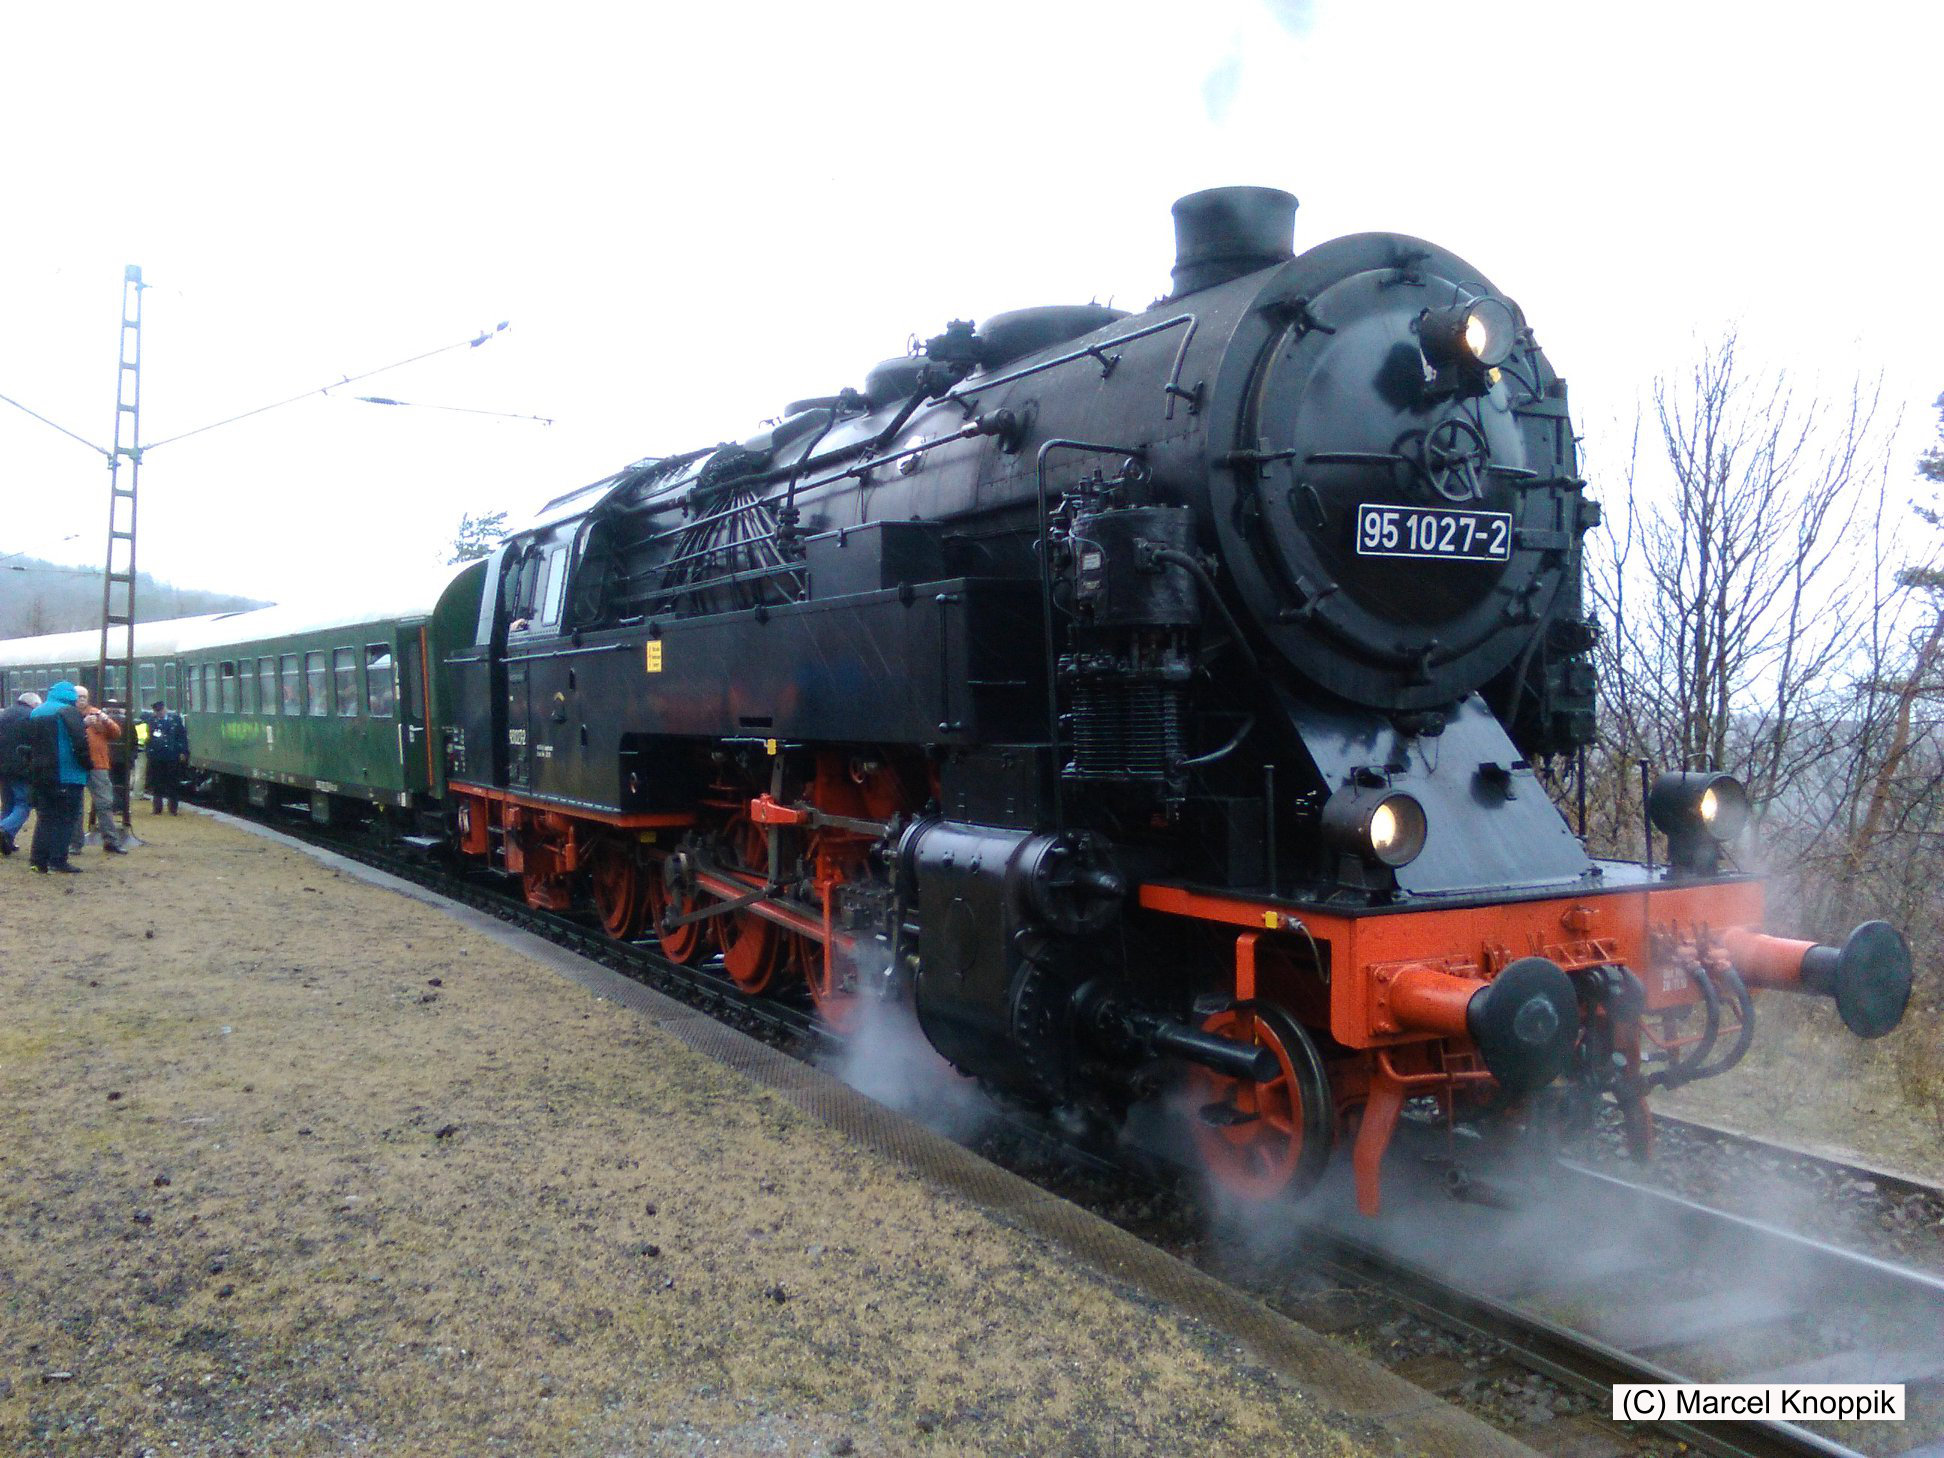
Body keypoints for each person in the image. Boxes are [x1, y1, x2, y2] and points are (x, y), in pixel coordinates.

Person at [26, 680, 89, 873]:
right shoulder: (68, 712)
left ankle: (38, 860)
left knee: (45, 817)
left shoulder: (36, 712)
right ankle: (58, 860)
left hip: (41, 775)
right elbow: (79, 743)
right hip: (67, 773)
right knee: (65, 818)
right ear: (71, 696)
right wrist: (88, 764)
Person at [71, 687, 129, 855]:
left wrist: (106, 720)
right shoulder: (68, 715)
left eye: (84, 697)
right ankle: (75, 843)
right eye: (78, 697)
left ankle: (111, 841)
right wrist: (83, 724)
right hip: (76, 765)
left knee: (104, 803)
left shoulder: (96, 713)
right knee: (76, 806)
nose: (81, 700)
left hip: (98, 765)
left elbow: (116, 733)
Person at [0, 690, 41, 856]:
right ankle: (4, 830)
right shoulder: (31, 717)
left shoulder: (4, 714)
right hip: (21, 768)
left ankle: (7, 840)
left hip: (3, 768)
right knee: (23, 804)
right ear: (33, 704)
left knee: (8, 805)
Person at [147, 698, 189, 815]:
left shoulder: (175, 720)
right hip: (157, 756)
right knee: (157, 783)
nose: (159, 713)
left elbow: (182, 736)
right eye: (157, 711)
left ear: (164, 709)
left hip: (172, 755)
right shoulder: (153, 721)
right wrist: (149, 752)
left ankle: (173, 808)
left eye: (161, 711)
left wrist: (183, 752)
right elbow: (150, 738)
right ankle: (157, 808)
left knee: (173, 782)